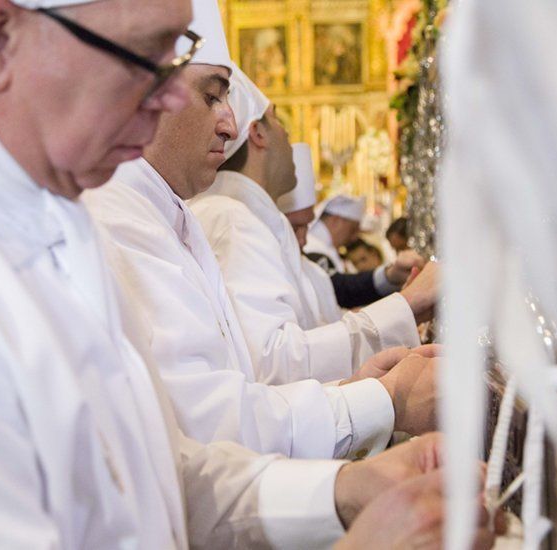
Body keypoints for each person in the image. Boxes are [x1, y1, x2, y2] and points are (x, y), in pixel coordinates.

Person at [0, 1, 497, 548]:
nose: (170, 98)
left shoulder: (51, 203)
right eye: (147, 56)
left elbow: (148, 473)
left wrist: (342, 491)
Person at [84, 0, 437, 461]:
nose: (228, 123)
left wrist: (356, 389)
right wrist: (382, 394)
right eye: (213, 97)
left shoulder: (172, 212)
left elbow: (236, 389)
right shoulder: (199, 216)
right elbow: (219, 417)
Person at [189, 66, 437, 385]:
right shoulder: (232, 219)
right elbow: (272, 365)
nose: (288, 137)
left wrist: (401, 313)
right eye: (278, 120)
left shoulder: (247, 219)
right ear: (258, 133)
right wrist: (407, 306)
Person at [279, 149, 429, 310]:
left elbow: (340, 288)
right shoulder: (313, 252)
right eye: (295, 229)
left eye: (306, 227)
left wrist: (390, 275)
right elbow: (342, 290)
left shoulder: (308, 260)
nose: (304, 239)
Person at [305, 193, 365, 275]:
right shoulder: (314, 249)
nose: (354, 238)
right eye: (352, 230)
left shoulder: (326, 247)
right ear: (336, 221)